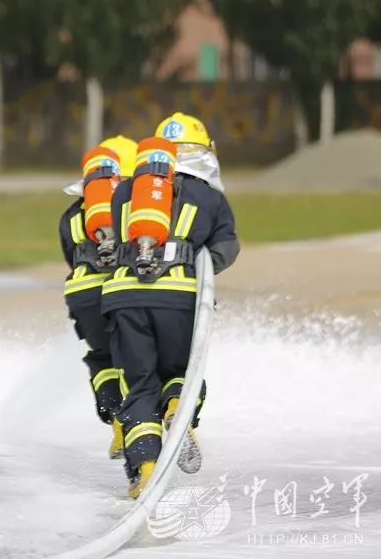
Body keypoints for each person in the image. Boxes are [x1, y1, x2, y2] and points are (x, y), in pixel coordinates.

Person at [102, 113, 240, 499]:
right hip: (178, 296)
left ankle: (145, 471)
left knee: (140, 384)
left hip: (123, 296)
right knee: (181, 370)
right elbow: (226, 249)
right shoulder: (210, 197)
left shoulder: (125, 191)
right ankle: (178, 405)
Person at [59, 135, 137, 459]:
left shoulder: (71, 216)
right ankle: (142, 425)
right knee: (134, 358)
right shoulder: (135, 207)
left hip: (81, 294)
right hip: (121, 290)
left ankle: (117, 422)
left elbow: (70, 256)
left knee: (101, 358)